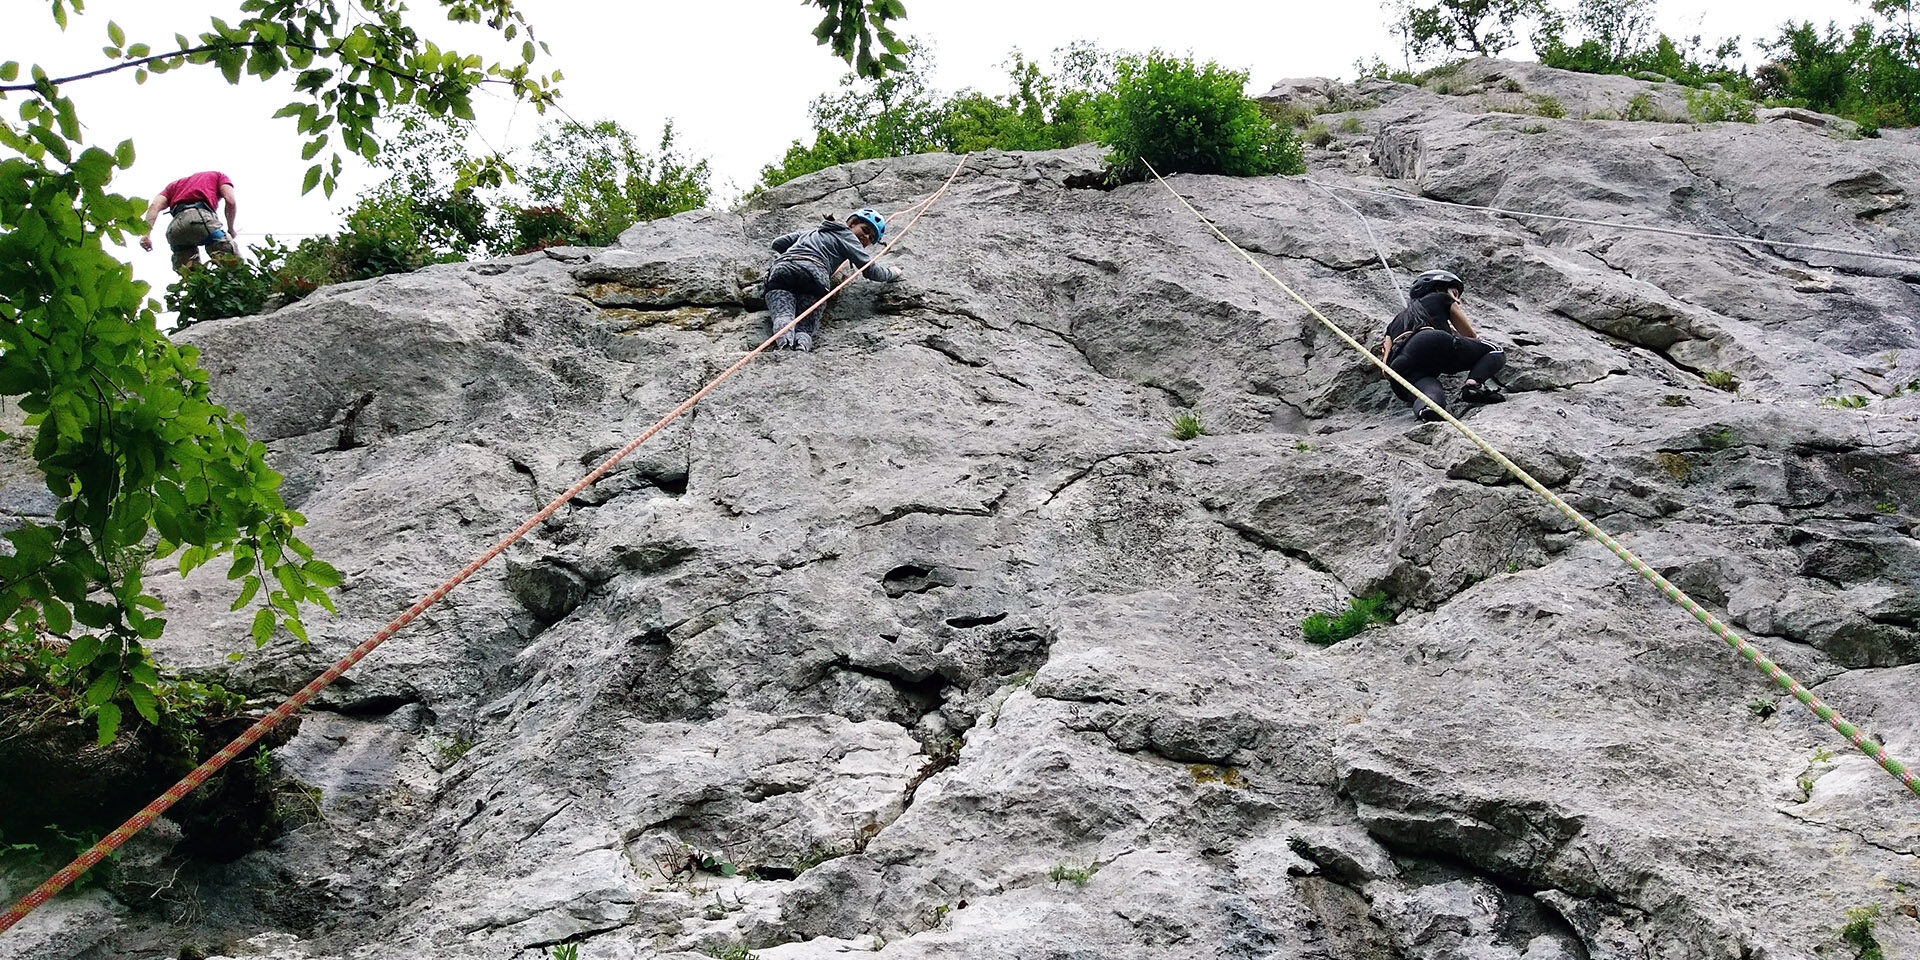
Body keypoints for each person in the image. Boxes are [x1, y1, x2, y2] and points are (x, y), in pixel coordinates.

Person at [763, 208, 902, 352]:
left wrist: (796, 256)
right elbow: (870, 270)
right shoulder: (849, 237)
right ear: (852, 223)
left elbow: (778, 243)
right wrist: (892, 273)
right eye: (865, 230)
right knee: (805, 326)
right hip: (814, 275)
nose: (867, 237)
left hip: (782, 270)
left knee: (783, 315)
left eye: (871, 238)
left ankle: (783, 346)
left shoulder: (813, 232)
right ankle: (797, 352)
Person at [1379, 269, 1506, 422]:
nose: (1457, 300)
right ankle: (1473, 386)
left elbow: (1385, 368)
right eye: (1455, 294)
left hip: (1400, 366)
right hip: (1430, 340)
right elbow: (1470, 335)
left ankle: (1426, 410)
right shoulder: (1440, 297)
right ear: (1441, 287)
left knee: (1428, 394)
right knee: (1495, 350)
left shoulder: (1393, 323)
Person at [139, 171, 239, 271]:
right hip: (199, 218)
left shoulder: (173, 186)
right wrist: (231, 229)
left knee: (191, 275)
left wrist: (146, 234)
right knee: (234, 264)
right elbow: (230, 200)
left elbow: (154, 206)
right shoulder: (219, 176)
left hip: (175, 230)